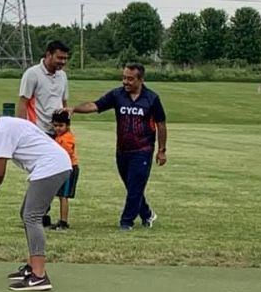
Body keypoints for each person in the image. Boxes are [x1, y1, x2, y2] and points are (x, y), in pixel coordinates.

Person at [0, 88, 71, 292]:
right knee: (27, 214)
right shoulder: (7, 124)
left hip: (51, 166)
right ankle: (32, 267)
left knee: (32, 217)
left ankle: (39, 276)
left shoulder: (2, 130)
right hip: (55, 165)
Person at [71, 63, 167, 230]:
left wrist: (161, 150)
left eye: (130, 79)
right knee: (132, 186)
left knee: (135, 185)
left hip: (143, 150)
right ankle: (147, 214)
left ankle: (126, 222)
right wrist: (74, 109)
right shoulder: (117, 95)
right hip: (122, 151)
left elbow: (161, 124)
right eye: (124, 78)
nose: (126, 82)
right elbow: (95, 105)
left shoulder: (151, 98)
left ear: (141, 80)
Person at [17, 39, 70, 226]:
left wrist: (66, 128)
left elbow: (64, 103)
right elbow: (23, 102)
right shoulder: (32, 74)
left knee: (53, 174)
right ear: (48, 55)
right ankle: (33, 213)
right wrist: (23, 130)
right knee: (41, 174)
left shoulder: (62, 76)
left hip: (58, 132)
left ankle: (39, 213)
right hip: (38, 132)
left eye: (65, 59)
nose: (62, 62)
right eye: (59, 58)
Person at [49, 111, 79, 231]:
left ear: (67, 125)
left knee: (64, 196)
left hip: (69, 168)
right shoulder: (58, 137)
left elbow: (67, 152)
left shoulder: (67, 138)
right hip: (62, 168)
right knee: (60, 195)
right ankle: (61, 220)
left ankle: (64, 222)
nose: (58, 128)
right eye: (55, 125)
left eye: (61, 126)